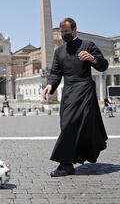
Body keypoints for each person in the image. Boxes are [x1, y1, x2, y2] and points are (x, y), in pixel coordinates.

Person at [43, 17, 108, 177]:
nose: (64, 34)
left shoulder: (88, 45)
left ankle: (65, 164)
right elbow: (56, 73)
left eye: (66, 31)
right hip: (69, 91)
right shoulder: (59, 51)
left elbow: (103, 65)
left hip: (85, 90)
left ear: (74, 30)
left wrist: (92, 59)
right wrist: (51, 84)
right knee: (67, 125)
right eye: (62, 32)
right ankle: (74, 156)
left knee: (74, 124)